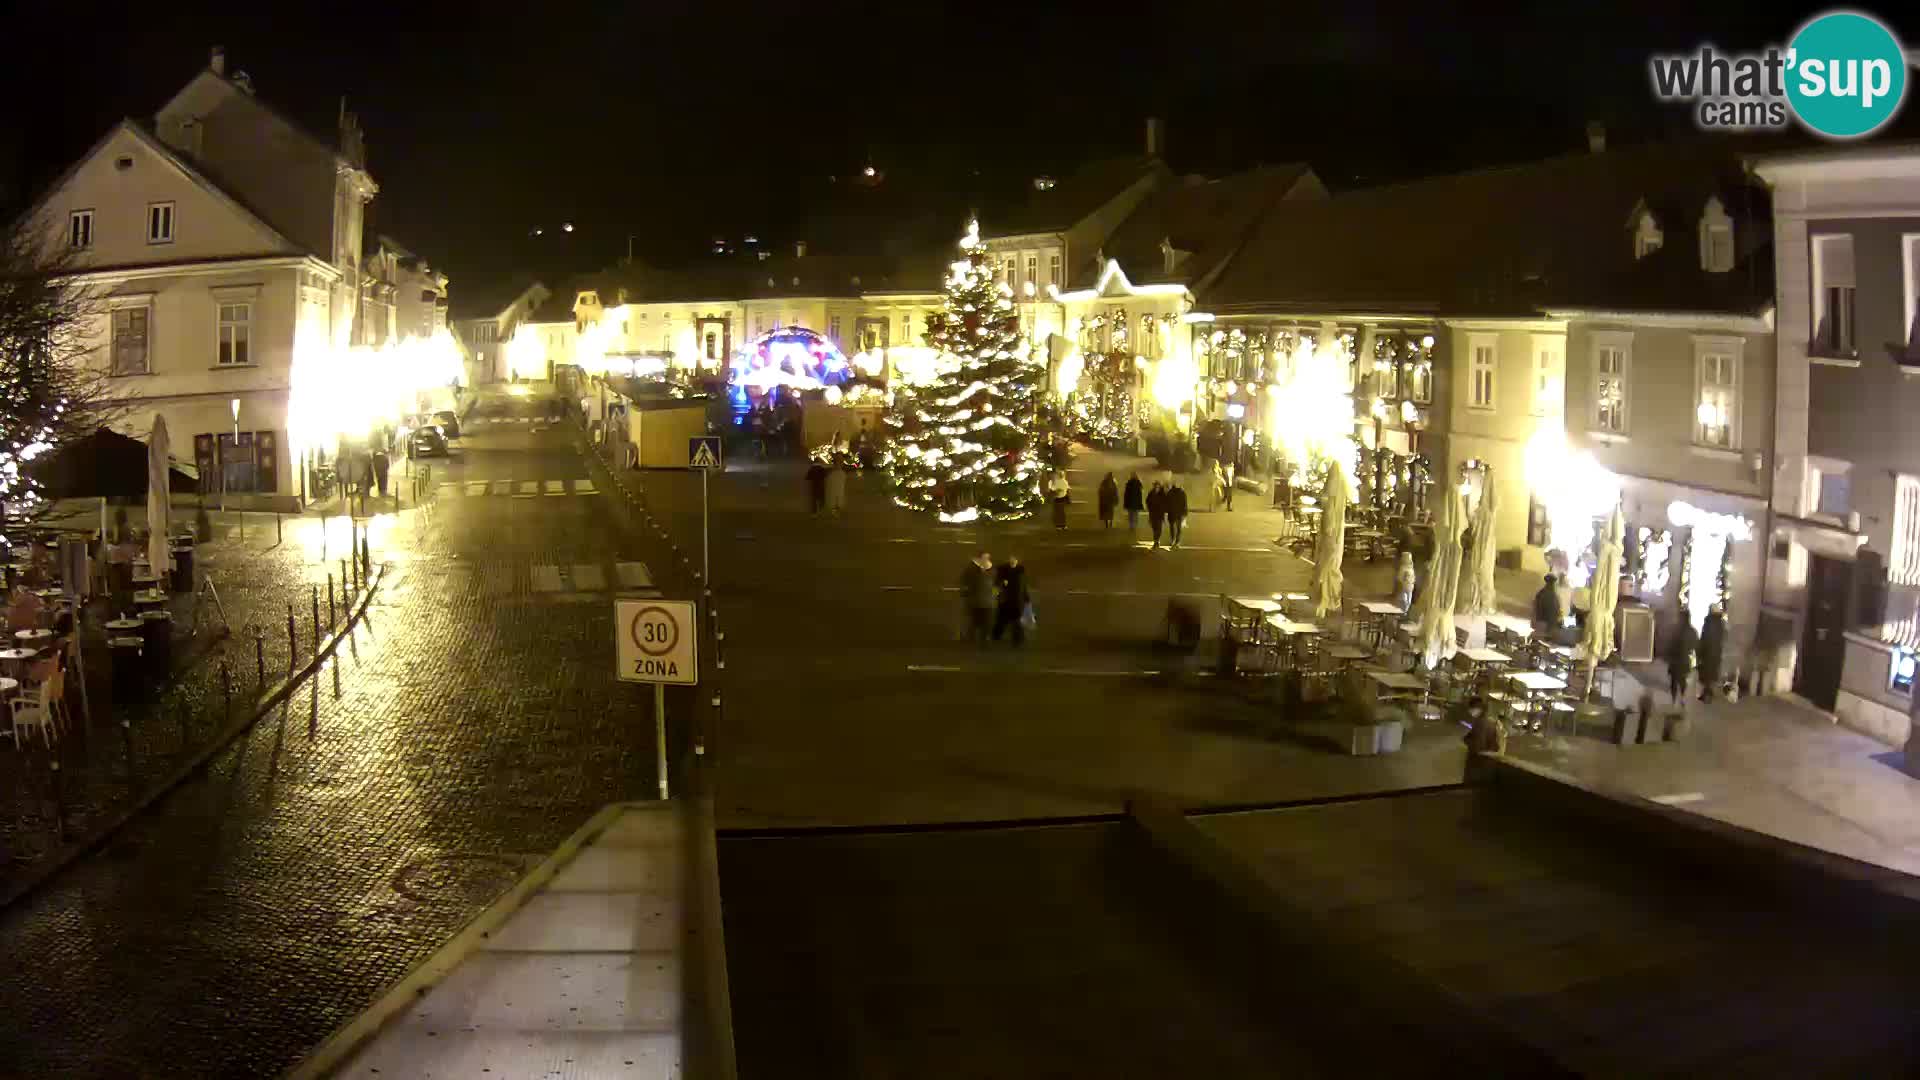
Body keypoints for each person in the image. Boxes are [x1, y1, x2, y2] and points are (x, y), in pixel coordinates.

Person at [992, 555, 1030, 647]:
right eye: (1012, 559)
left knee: (1015, 621)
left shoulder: (1021, 571)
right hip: (1006, 601)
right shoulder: (1003, 571)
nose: (1013, 561)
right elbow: (996, 585)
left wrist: (1026, 598)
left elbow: (1023, 586)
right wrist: (996, 595)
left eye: (1015, 559)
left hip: (1017, 601)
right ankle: (996, 636)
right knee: (1002, 620)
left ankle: (1017, 639)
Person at [960, 552, 994, 644]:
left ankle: (982, 640)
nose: (985, 559)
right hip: (976, 602)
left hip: (986, 602)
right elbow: (965, 582)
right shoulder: (971, 570)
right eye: (984, 557)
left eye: (987, 557)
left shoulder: (991, 570)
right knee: (974, 622)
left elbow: (995, 585)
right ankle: (972, 640)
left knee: (984, 623)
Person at [1697, 603, 1728, 702]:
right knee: (1712, 673)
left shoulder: (1708, 622)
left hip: (1708, 652)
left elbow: (1704, 638)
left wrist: (1700, 651)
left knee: (1706, 674)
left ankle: (1707, 695)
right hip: (1717, 652)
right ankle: (1709, 693)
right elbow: (1724, 637)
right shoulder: (1721, 623)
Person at [1665, 615, 1698, 704]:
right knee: (1683, 680)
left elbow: (1669, 644)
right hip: (1685, 660)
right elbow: (1695, 645)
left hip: (1675, 660)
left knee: (1674, 681)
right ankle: (1682, 697)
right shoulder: (1692, 631)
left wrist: (1668, 656)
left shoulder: (1675, 630)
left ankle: (1674, 700)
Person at [1531, 574, 1562, 639]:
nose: (1552, 585)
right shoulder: (1549, 594)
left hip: (1545, 621)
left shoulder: (1542, 593)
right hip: (1544, 620)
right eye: (1552, 583)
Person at [1166, 481, 1189, 549]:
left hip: (1172, 513)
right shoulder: (1182, 492)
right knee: (1178, 528)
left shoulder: (1170, 492)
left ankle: (1173, 540)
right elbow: (1185, 504)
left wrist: (1167, 510)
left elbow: (1167, 503)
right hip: (1179, 513)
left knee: (1173, 527)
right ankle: (1177, 541)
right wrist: (1185, 513)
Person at [1146, 482, 1168, 548]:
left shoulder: (1162, 494)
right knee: (1154, 527)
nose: (1156, 488)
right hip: (1153, 513)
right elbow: (1147, 501)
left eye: (1158, 487)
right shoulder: (1151, 493)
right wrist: (1149, 507)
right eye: (1155, 486)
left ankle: (1156, 540)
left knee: (1159, 528)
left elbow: (1165, 502)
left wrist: (1164, 509)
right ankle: (1156, 540)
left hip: (1160, 513)